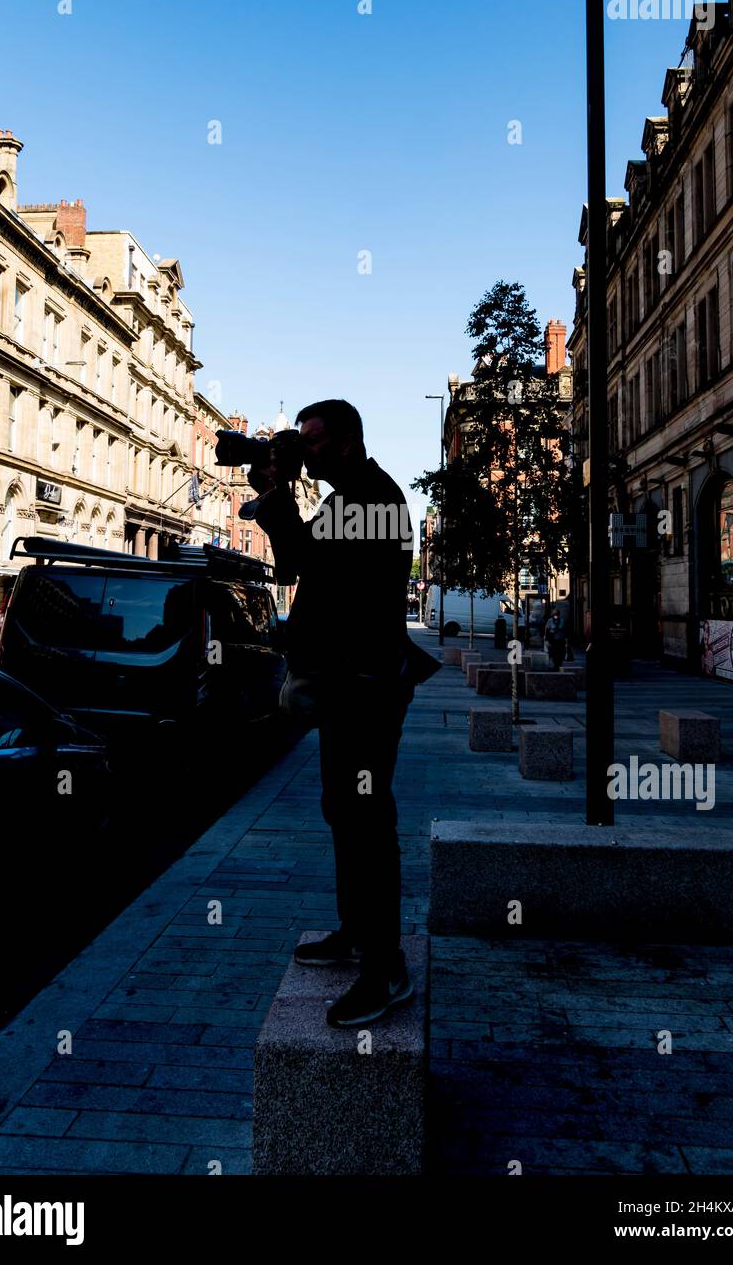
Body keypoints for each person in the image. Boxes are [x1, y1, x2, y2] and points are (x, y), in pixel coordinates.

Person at [251, 399, 438, 1027]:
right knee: (342, 806)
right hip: (344, 682)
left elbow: (306, 559)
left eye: (316, 442)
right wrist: (278, 494)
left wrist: (279, 497)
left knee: (365, 816)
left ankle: (385, 971)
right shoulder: (347, 496)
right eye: (303, 442)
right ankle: (355, 932)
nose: (309, 452)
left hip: (367, 684)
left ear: (349, 441)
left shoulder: (373, 499)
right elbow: (297, 565)